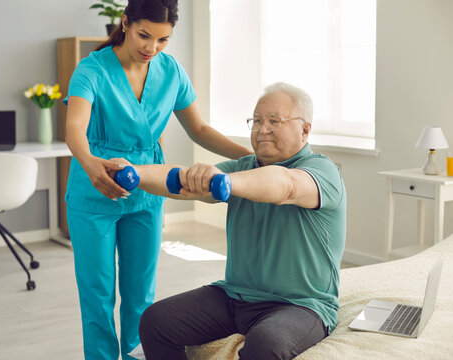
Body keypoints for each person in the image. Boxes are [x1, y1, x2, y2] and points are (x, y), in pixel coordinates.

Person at [63, 0, 252, 359]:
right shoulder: (91, 69)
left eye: (163, 39)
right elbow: (75, 130)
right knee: (98, 295)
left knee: (141, 294)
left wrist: (249, 159)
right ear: (126, 23)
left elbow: (198, 128)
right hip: (95, 192)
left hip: (148, 193)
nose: (152, 47)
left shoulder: (171, 72)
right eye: (144, 35)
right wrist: (90, 164)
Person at [116, 82, 346, 359]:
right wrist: (134, 172)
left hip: (301, 305)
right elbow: (180, 181)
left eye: (275, 121)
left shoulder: (321, 170)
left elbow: (285, 186)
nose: (263, 129)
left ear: (305, 129)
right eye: (257, 121)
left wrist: (224, 181)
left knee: (266, 343)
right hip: (234, 296)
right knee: (156, 321)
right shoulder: (243, 167)